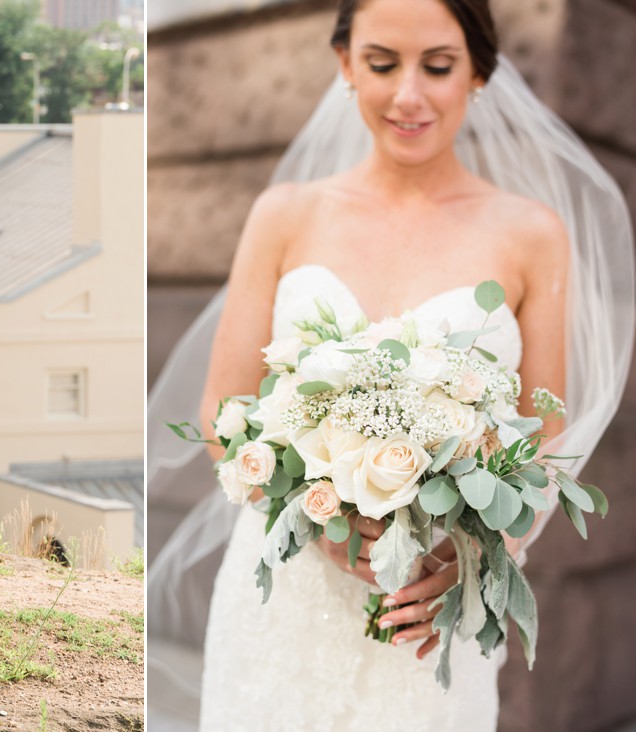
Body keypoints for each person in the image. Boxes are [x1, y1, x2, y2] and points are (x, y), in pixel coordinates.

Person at [146, 0, 634, 729]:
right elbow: (225, 416)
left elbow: (543, 439)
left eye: (438, 67)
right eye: (381, 64)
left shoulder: (532, 235)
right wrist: (328, 526)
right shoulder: (286, 214)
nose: (408, 95)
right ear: (345, 65)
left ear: (478, 73)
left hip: (435, 606)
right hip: (289, 599)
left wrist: (473, 558)